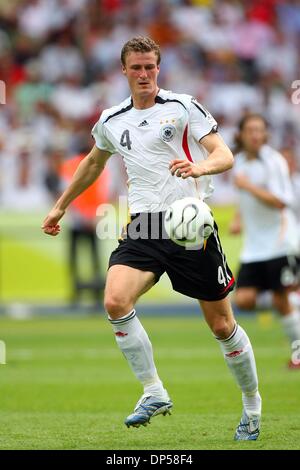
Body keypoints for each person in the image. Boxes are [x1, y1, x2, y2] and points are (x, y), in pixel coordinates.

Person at [42, 37, 261, 440]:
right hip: (144, 226)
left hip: (190, 226)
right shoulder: (112, 118)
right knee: (114, 300)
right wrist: (60, 205)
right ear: (123, 71)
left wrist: (199, 169)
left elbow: (224, 154)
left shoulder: (182, 106)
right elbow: (93, 162)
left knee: (222, 325)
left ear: (158, 69)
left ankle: (251, 406)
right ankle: (154, 391)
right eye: (136, 68)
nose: (144, 74)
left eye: (150, 67)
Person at [230, 114, 300, 369]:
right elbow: (243, 197)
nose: (256, 135)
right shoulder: (238, 162)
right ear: (241, 135)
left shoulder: (274, 161)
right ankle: (295, 304)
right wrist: (238, 218)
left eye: (260, 130)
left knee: (281, 299)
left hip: (280, 241)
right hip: (254, 247)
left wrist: (248, 186)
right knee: (244, 300)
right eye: (250, 130)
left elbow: (281, 201)